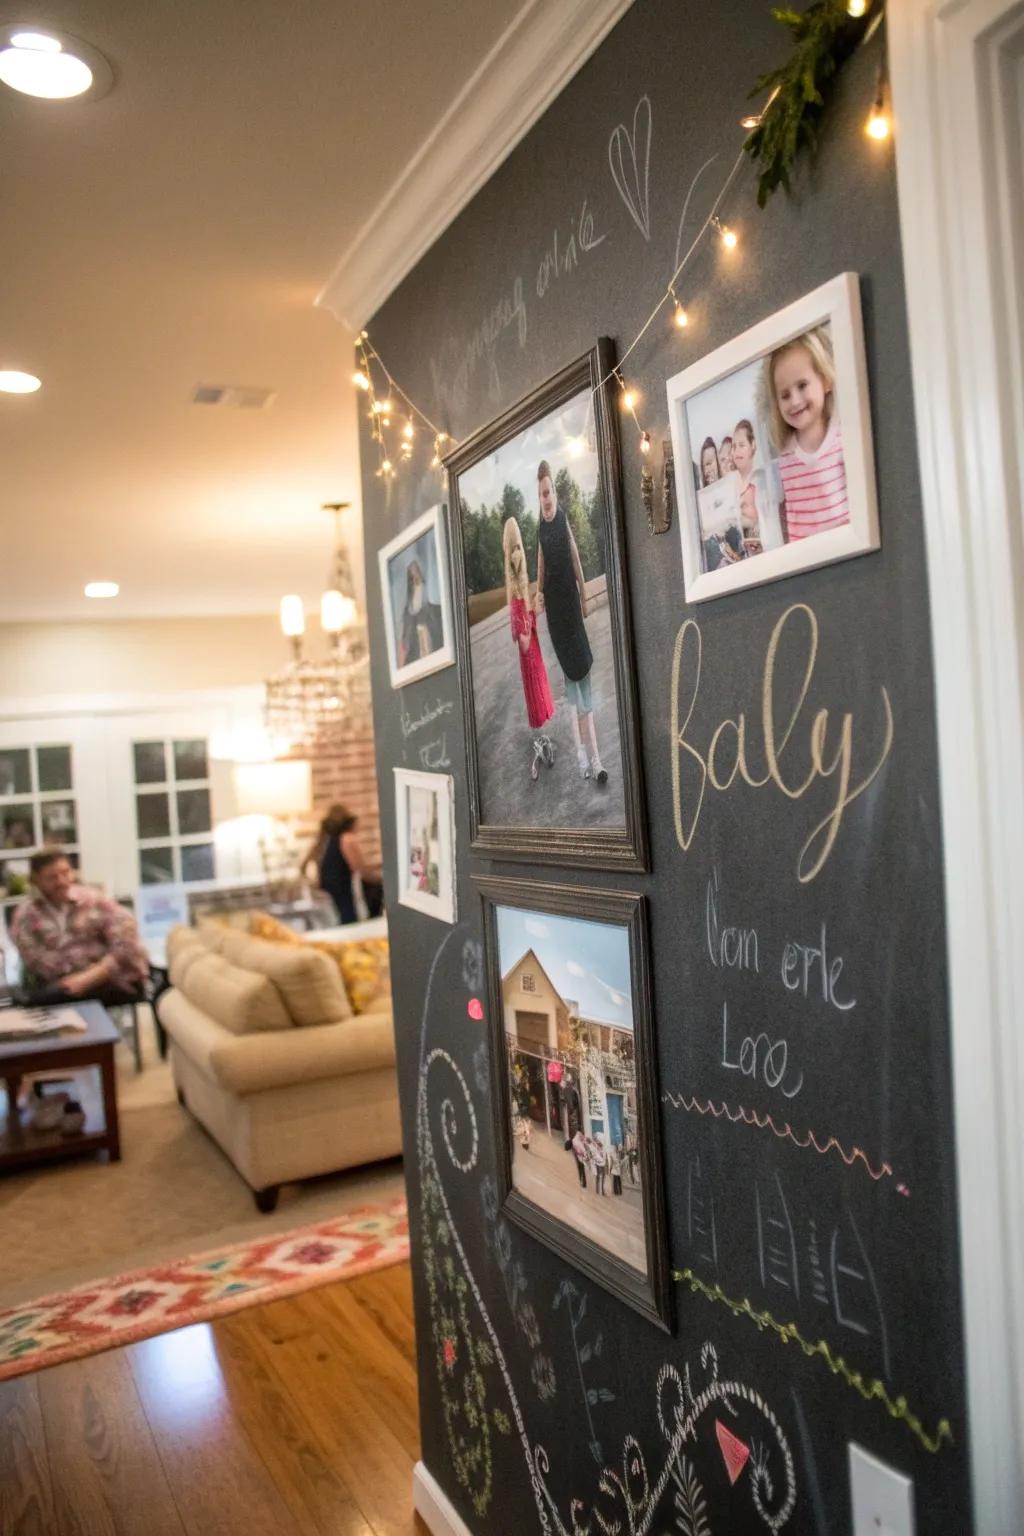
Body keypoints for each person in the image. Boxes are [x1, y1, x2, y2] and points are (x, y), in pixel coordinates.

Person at [534, 459, 606, 785]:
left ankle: (595, 758)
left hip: (571, 609)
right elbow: (540, 568)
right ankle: (582, 757)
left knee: (583, 671)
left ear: (554, 492)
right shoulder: (540, 528)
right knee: (570, 683)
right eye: (541, 495)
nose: (546, 499)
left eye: (548, 492)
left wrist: (585, 595)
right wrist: (537, 594)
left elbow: (575, 558)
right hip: (555, 615)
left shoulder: (561, 521)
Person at [11, 851, 149, 1005]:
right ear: (36, 881)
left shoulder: (94, 900)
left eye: (66, 872)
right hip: (64, 986)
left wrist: (92, 976)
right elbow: (36, 960)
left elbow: (127, 941)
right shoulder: (25, 916)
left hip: (111, 980)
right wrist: (74, 977)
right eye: (52, 877)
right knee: (37, 1001)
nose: (62, 881)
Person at [762, 326, 849, 541]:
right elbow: (793, 520)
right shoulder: (786, 457)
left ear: (826, 381)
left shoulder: (842, 439)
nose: (795, 401)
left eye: (802, 385)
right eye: (785, 395)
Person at [502, 515, 555, 783]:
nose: (517, 554)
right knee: (535, 697)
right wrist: (529, 617)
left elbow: (529, 629)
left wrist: (534, 609)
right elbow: (522, 641)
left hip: (536, 653)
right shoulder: (514, 602)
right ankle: (541, 743)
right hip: (529, 657)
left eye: (519, 548)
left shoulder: (524, 592)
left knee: (542, 694)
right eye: (512, 549)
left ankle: (543, 740)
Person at [304, 805, 369, 925]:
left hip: (326, 889)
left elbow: (304, 864)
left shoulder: (323, 840)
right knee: (349, 920)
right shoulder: (346, 839)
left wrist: (312, 882)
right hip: (342, 888)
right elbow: (359, 869)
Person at [398, 558, 444, 666]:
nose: (415, 574)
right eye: (412, 571)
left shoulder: (424, 586)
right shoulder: (409, 593)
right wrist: (405, 637)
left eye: (416, 570)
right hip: (417, 627)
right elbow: (411, 610)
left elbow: (427, 604)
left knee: (429, 650)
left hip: (426, 623)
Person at [731, 419, 764, 554]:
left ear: (753, 445)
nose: (736, 451)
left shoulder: (761, 481)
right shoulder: (731, 487)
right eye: (734, 447)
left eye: (741, 445)